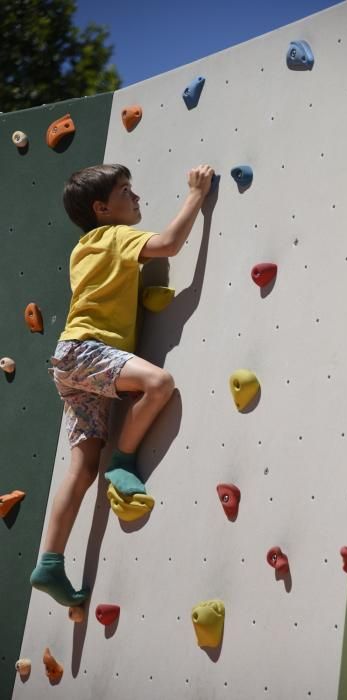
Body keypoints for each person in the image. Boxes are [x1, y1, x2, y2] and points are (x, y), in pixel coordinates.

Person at [30, 162, 215, 606]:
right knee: (158, 382)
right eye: (126, 191)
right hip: (87, 351)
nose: (136, 198)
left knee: (80, 468)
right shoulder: (115, 236)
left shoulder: (83, 248)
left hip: (70, 362)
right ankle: (125, 460)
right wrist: (196, 196)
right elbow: (169, 244)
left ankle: (50, 563)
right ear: (102, 208)